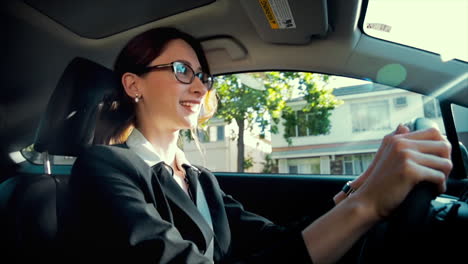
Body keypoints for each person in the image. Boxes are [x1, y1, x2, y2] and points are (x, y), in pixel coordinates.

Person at [65, 27, 453, 263]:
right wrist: (366, 207)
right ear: (134, 85)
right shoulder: (102, 167)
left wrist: (360, 189)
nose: (200, 87)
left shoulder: (199, 179)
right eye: (182, 71)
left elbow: (274, 241)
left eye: (202, 75)